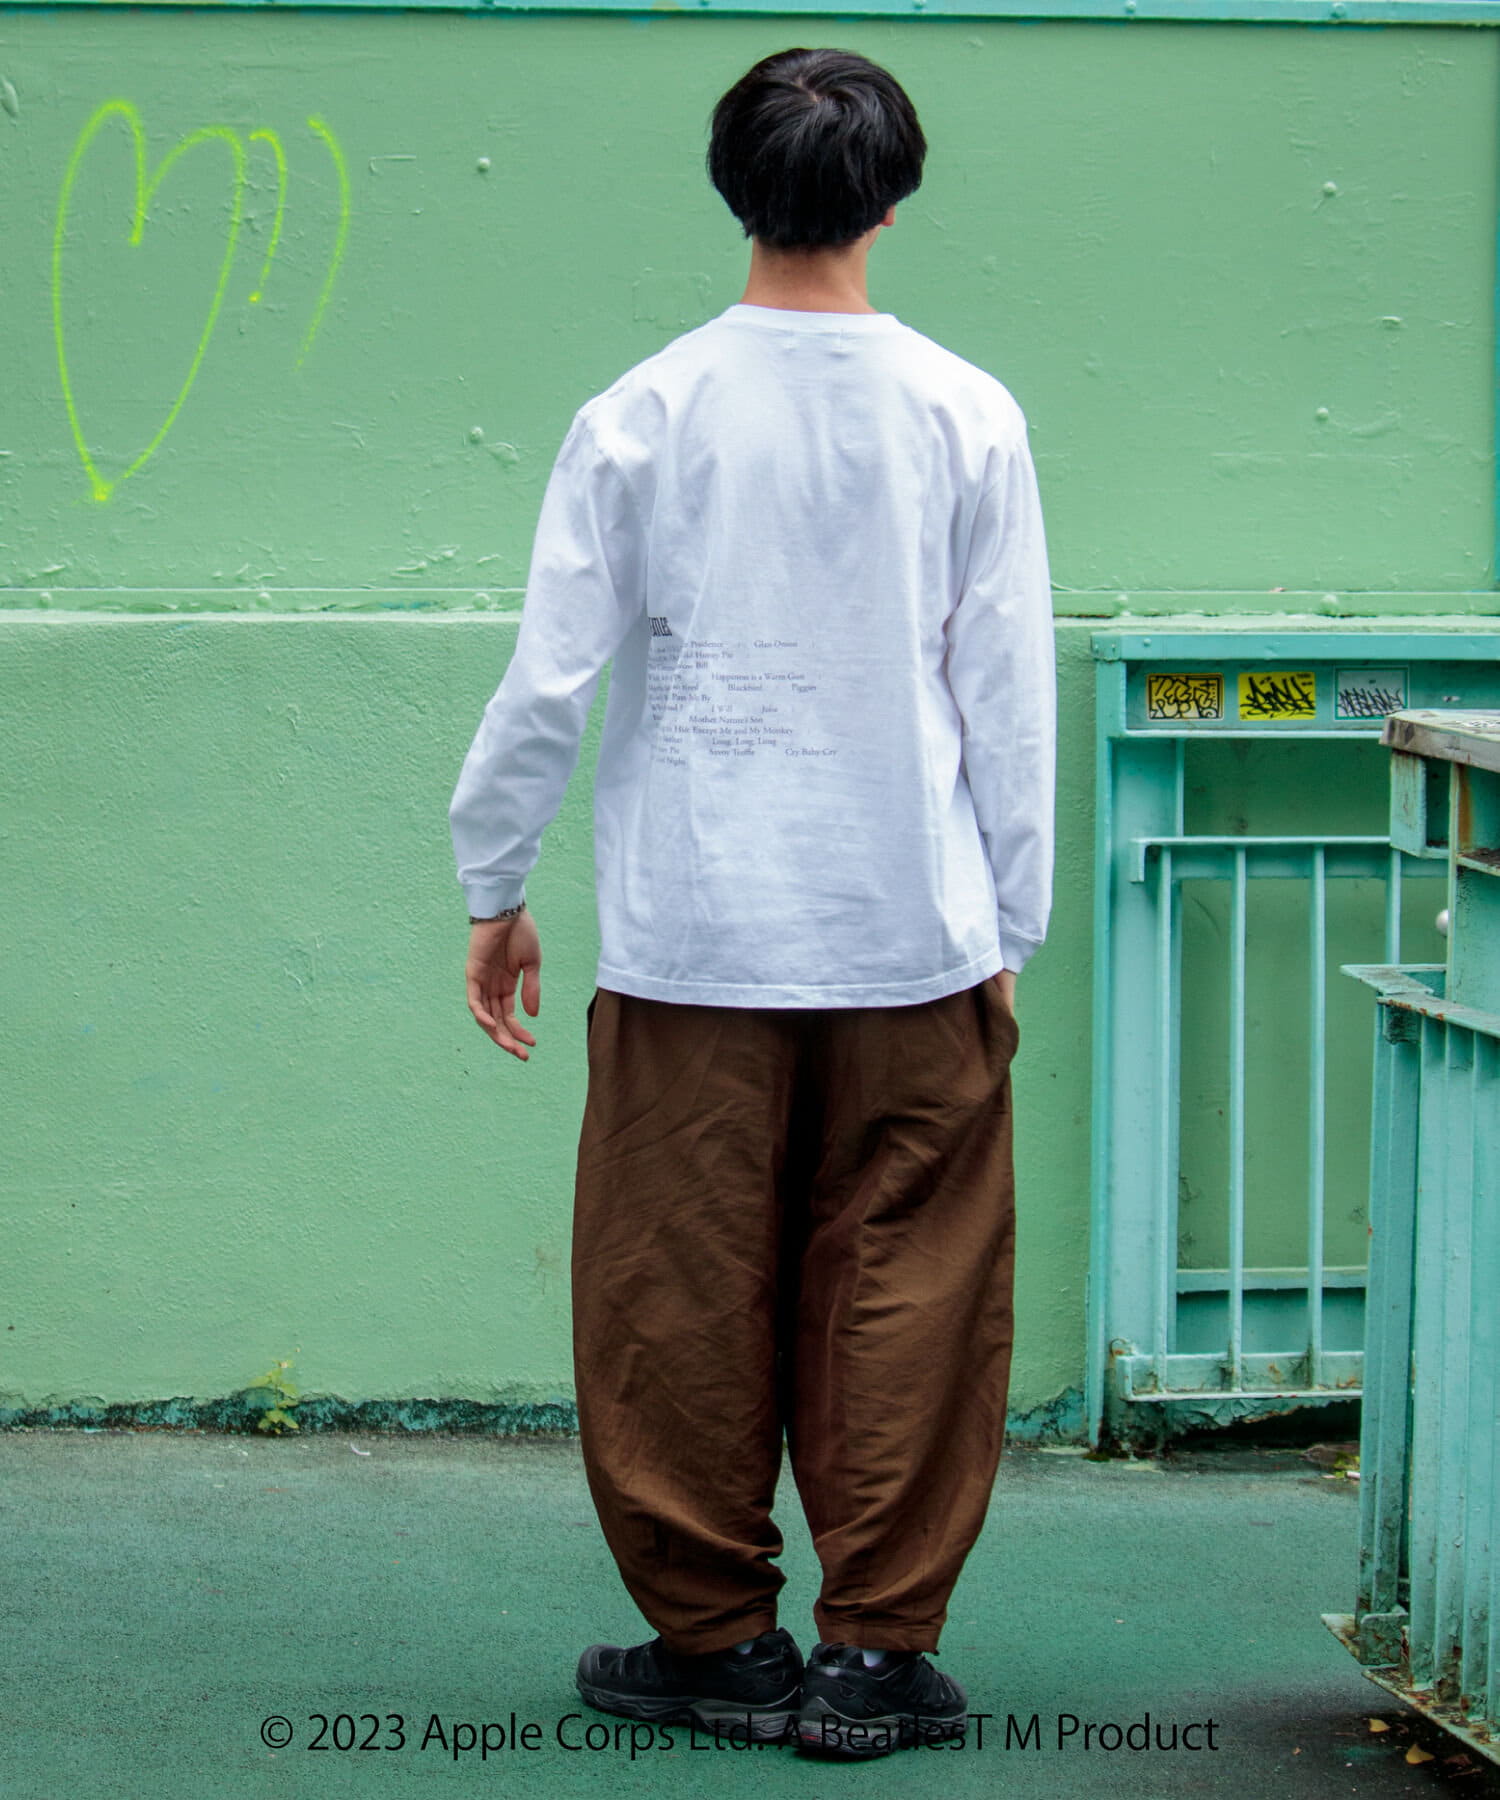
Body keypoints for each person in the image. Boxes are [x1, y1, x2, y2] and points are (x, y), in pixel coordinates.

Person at [448, 45, 1055, 1759]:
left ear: (734, 189)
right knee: (913, 1282)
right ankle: (875, 1655)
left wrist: (497, 881)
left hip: (691, 935)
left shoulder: (642, 414)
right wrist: (1012, 926)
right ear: (893, 197)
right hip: (914, 934)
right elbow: (1005, 696)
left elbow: (549, 679)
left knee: (674, 1285)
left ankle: (717, 1641)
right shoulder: (965, 412)